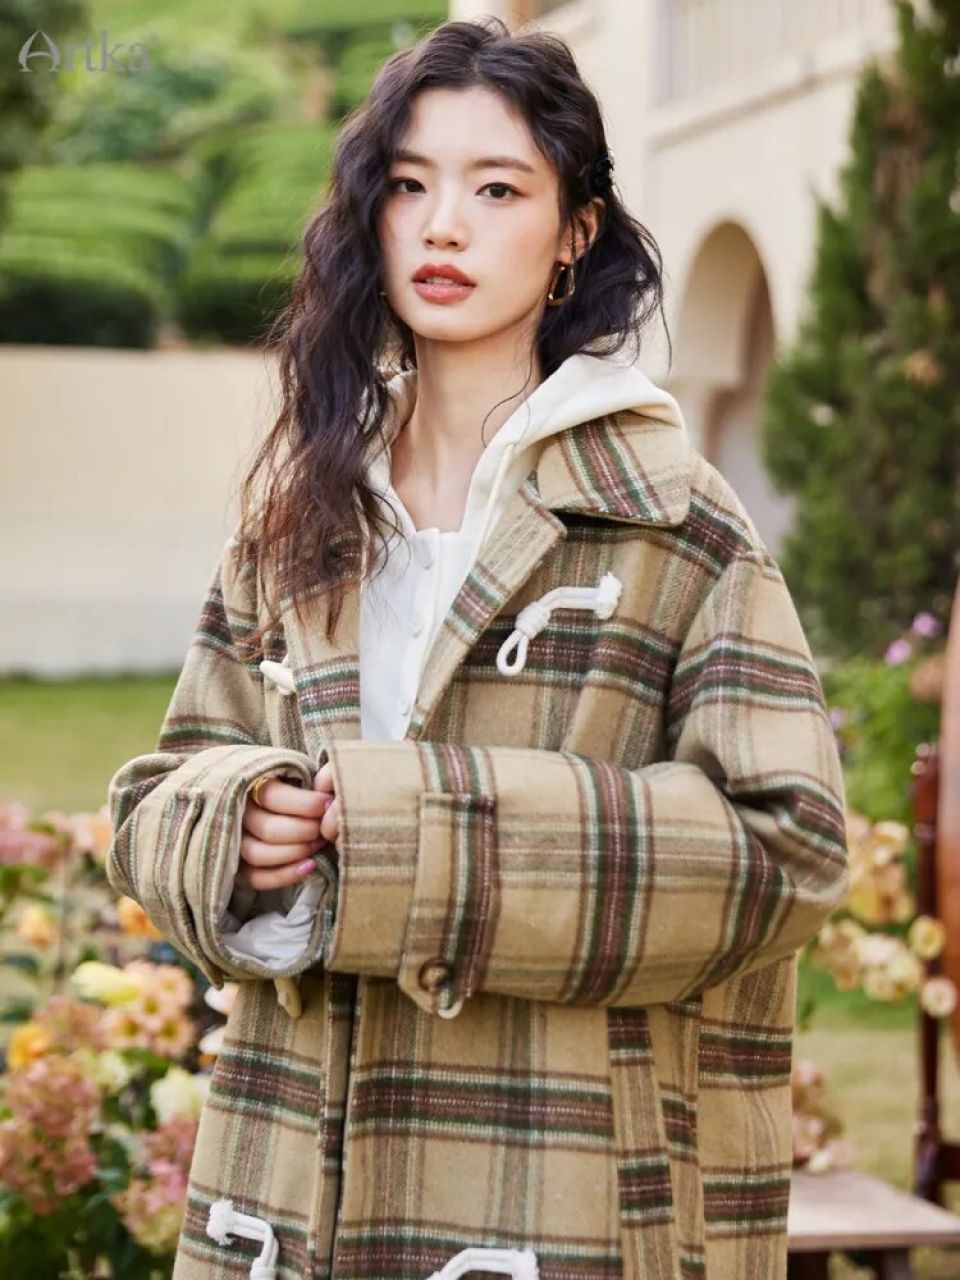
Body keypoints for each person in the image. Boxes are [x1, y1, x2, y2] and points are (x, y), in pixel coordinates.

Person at [106, 16, 849, 1280]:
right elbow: (158, 793)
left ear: (575, 233)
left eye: (497, 189)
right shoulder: (301, 514)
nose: (442, 226)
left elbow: (789, 847)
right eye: (409, 185)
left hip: (558, 1193)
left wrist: (422, 835)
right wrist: (237, 824)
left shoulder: (673, 518)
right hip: (289, 1203)